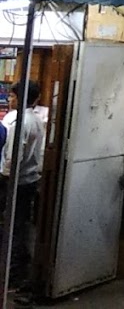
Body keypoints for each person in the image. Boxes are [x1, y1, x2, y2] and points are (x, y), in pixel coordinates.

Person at [1, 81, 43, 297]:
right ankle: (18, 270)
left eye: (12, 96)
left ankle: (14, 273)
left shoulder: (20, 123)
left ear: (18, 97)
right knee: (20, 225)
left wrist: (5, 177)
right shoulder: (35, 120)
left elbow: (13, 156)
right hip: (29, 179)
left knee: (14, 227)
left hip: (16, 181)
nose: (10, 99)